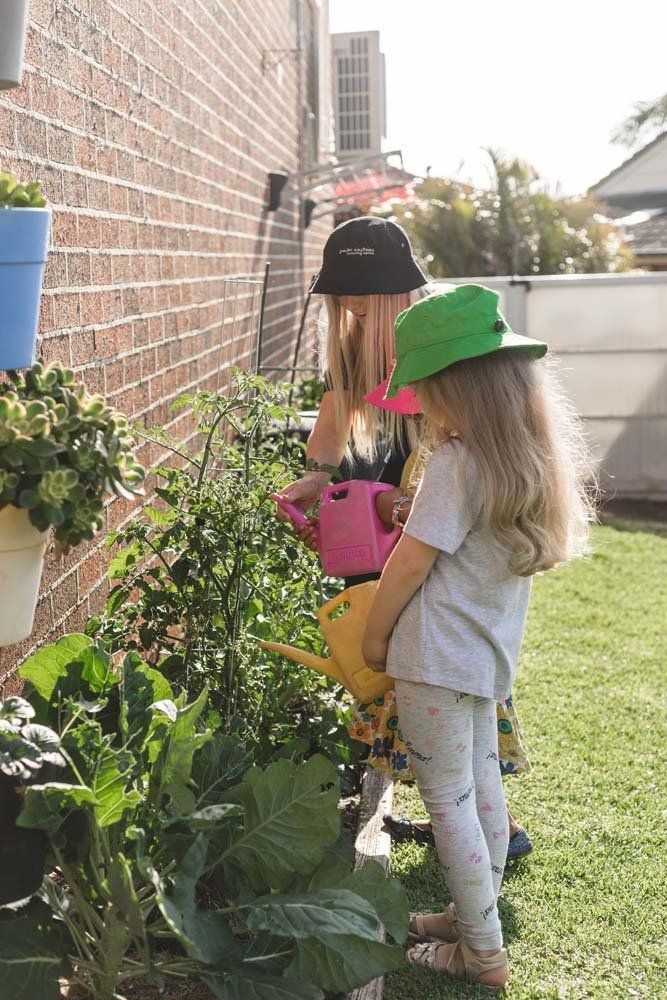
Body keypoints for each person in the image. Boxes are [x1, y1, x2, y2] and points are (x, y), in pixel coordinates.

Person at [361, 284, 594, 988]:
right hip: (484, 662)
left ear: (456, 388)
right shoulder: (525, 462)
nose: (423, 408)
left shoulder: (456, 465)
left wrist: (374, 641)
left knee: (449, 808)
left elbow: (407, 564)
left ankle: (481, 954)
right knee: (481, 792)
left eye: (427, 390)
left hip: (431, 660)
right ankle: (473, 919)